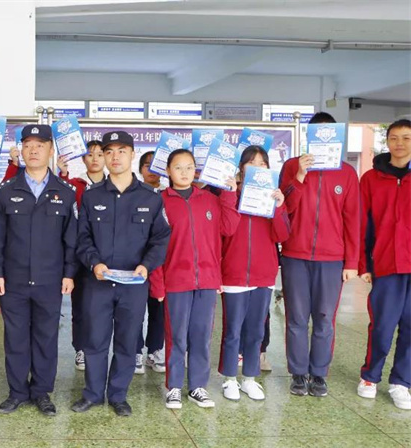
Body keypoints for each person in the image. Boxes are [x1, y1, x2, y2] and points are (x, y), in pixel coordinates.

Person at [71, 131, 171, 416]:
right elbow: (82, 237)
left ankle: (118, 395)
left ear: (132, 154)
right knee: (94, 341)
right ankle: (92, 394)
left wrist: (146, 266)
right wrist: (94, 263)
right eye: (109, 151)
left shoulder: (150, 197)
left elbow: (161, 238)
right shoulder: (91, 196)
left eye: (121, 151)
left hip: (133, 285)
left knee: (127, 341)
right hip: (98, 282)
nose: (115, 157)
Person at [0, 124, 78, 416]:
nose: (33, 150)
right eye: (28, 145)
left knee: (46, 337)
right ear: (21, 151)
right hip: (13, 280)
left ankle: (41, 392)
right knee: (15, 338)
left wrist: (69, 273)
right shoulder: (6, 191)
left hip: (51, 280)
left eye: (40, 145)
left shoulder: (65, 192)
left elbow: (71, 239)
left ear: (51, 150)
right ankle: (17, 392)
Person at [150, 149, 239, 409]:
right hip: (175, 281)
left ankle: (198, 386)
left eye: (189, 167)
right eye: (178, 167)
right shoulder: (160, 202)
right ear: (168, 171)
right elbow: (152, 245)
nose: (184, 172)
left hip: (207, 281)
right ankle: (174, 387)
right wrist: (158, 284)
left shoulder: (209, 200)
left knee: (201, 335)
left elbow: (229, 228)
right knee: (176, 336)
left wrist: (229, 194)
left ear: (196, 170)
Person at [279, 112, 360, 397]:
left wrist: (352, 261)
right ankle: (298, 373)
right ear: (309, 136)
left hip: (332, 258)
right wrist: (300, 175)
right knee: (297, 318)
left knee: (325, 319)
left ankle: (319, 374)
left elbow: (353, 219)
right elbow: (284, 208)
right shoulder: (292, 165)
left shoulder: (346, 173)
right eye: (318, 133)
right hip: (295, 255)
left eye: (329, 133)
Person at [218, 145, 290, 401]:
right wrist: (229, 196)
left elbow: (282, 235)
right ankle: (229, 378)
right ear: (241, 167)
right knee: (232, 330)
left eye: (262, 163)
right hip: (234, 274)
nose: (258, 167)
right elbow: (226, 230)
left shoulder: (272, 198)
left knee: (256, 331)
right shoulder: (231, 194)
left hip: (263, 274)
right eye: (251, 162)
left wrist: (279, 206)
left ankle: (249, 378)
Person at [357, 119, 411, 410]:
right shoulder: (371, 179)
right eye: (394, 138)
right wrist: (363, 262)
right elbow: (362, 223)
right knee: (382, 325)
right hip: (386, 263)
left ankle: (402, 382)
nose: (400, 143)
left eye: (406, 138)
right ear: (387, 141)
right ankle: (370, 376)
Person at [55, 140, 105, 370]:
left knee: (102, 307)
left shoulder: (113, 184)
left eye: (100, 154)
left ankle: (99, 346)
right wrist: (63, 174)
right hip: (79, 253)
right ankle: (81, 348)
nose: (95, 159)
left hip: (105, 255)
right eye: (90, 154)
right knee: (81, 306)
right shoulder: (75, 185)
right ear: (83, 159)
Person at [135, 150, 166, 374]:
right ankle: (135, 351)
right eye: (147, 165)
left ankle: (155, 350)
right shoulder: (134, 193)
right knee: (135, 310)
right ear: (140, 169)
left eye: (156, 165)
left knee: (159, 309)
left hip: (160, 262)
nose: (152, 169)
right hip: (135, 261)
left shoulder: (167, 195)